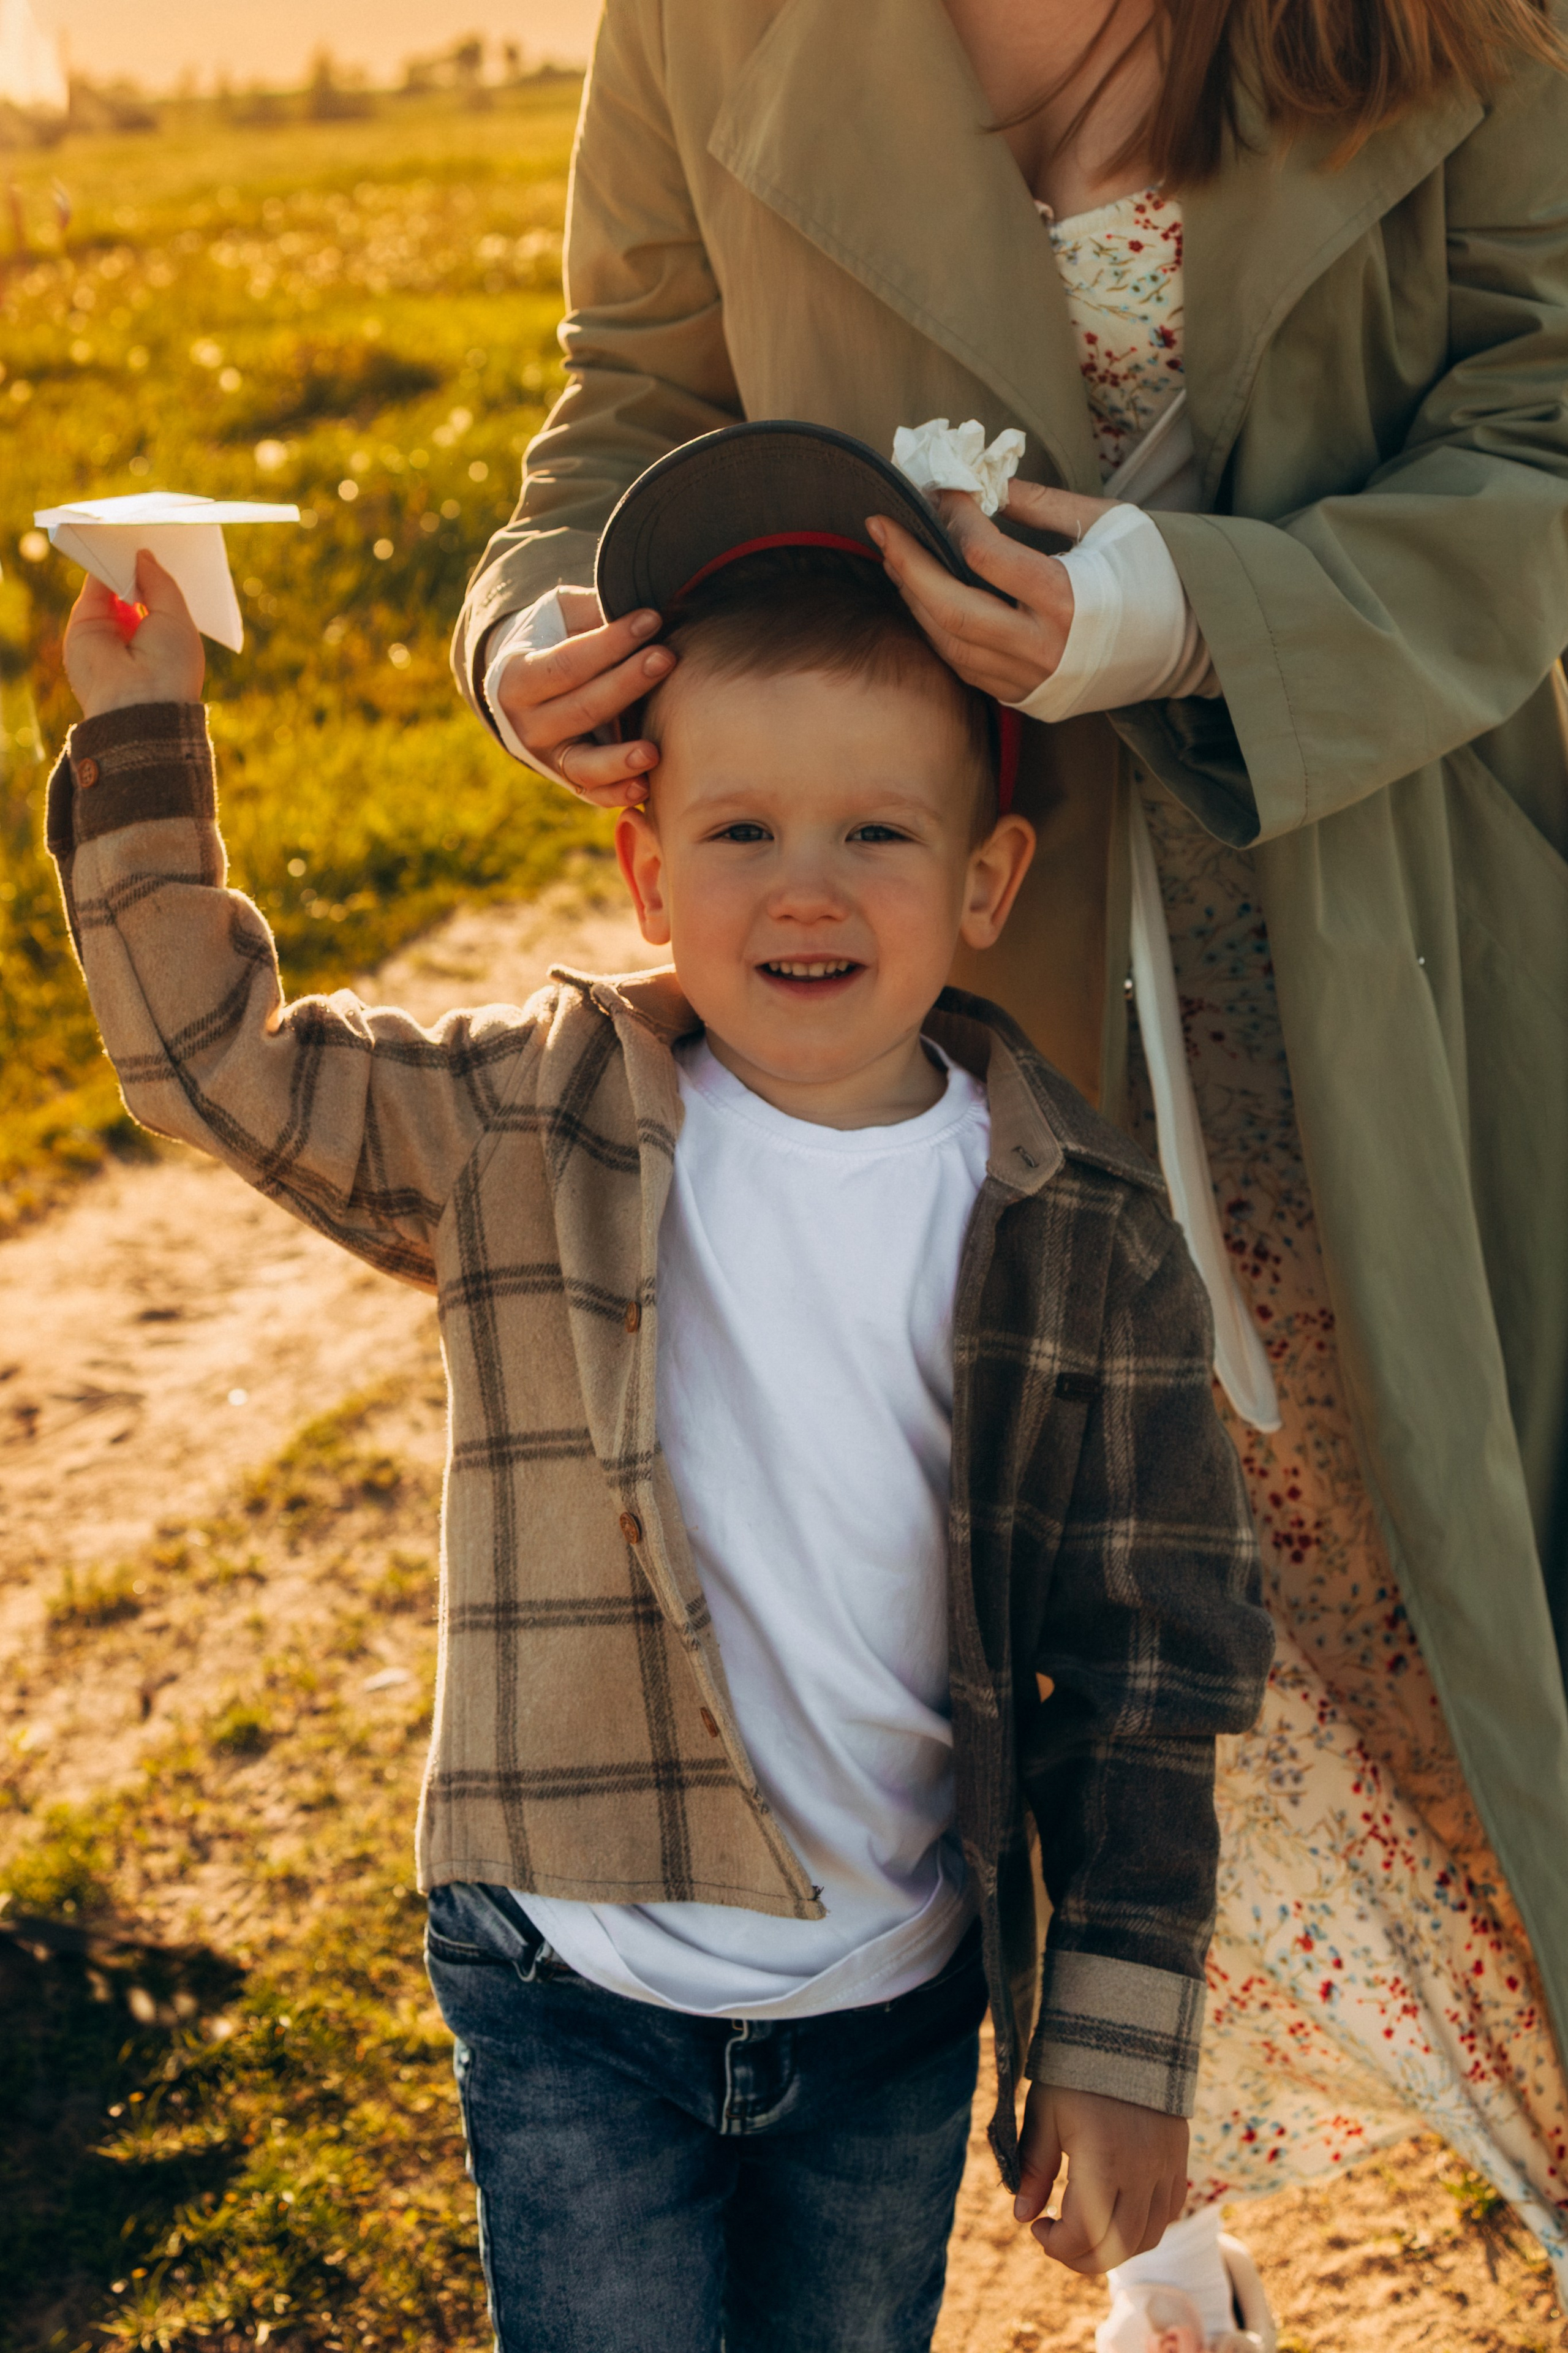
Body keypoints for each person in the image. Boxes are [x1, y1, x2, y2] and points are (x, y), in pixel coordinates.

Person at [450, 0, 1568, 2330]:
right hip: (956, 973)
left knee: (1475, 1596)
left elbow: (1539, 422)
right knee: (1037, 1575)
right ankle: (1158, 2242)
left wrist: (1182, 616)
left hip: (1395, 940)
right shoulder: (699, 19)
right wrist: (523, 634)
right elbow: (629, 404)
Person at [45, 423, 1272, 2353]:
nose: (807, 886)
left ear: (986, 875)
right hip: (571, 1990)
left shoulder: (1077, 1217)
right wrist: (139, 736)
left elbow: (1152, 1660)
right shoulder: (526, 1122)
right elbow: (220, 1061)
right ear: (640, 863)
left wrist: (1120, 2037)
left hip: (890, 2004)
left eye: (877, 831)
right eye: (739, 829)